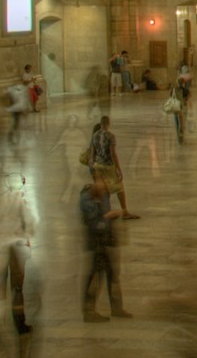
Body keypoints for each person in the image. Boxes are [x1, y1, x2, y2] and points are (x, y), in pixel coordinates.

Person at [79, 176, 129, 321]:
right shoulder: (86, 198)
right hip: (96, 243)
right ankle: (89, 311)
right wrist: (109, 216)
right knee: (95, 276)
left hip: (106, 241)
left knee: (112, 274)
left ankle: (116, 307)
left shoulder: (103, 194)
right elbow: (94, 223)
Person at [86, 116, 139, 219]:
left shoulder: (95, 136)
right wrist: (118, 169)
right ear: (108, 124)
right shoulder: (111, 136)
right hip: (108, 165)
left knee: (103, 189)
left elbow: (92, 153)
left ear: (100, 124)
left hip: (98, 165)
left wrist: (92, 164)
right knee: (119, 188)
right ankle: (125, 212)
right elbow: (113, 154)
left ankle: (105, 211)